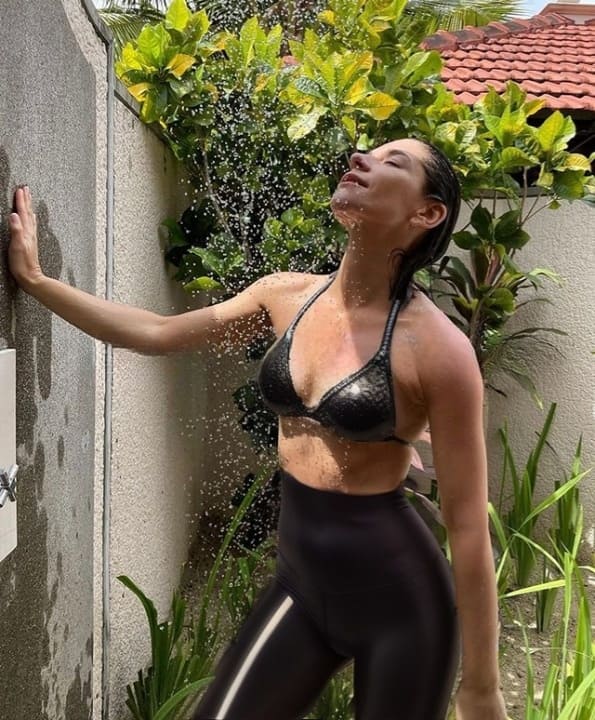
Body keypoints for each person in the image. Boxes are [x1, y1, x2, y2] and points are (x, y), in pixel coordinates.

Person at [7, 137, 507, 720]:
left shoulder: (439, 350)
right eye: (366, 152)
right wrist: (38, 281)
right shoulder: (283, 296)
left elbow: (467, 526)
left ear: (427, 213)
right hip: (302, 589)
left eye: (393, 162)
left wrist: (481, 687)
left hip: (404, 608)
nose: (361, 159)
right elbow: (155, 333)